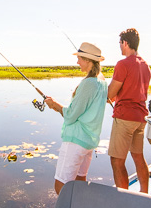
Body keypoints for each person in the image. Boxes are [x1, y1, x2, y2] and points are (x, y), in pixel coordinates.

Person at [44, 42, 108, 196]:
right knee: (80, 181)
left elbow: (71, 115)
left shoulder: (88, 83)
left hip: (76, 141)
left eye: (79, 58)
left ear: (88, 60)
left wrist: (54, 105)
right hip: (88, 142)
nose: (77, 61)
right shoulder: (102, 82)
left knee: (61, 187)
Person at [108, 28, 151, 192]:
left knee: (116, 160)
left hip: (125, 118)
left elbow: (111, 92)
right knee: (138, 157)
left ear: (125, 43)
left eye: (120, 43)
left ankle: (124, 200)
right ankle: (144, 194)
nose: (119, 46)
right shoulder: (145, 66)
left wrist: (107, 96)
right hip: (140, 119)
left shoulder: (123, 64)